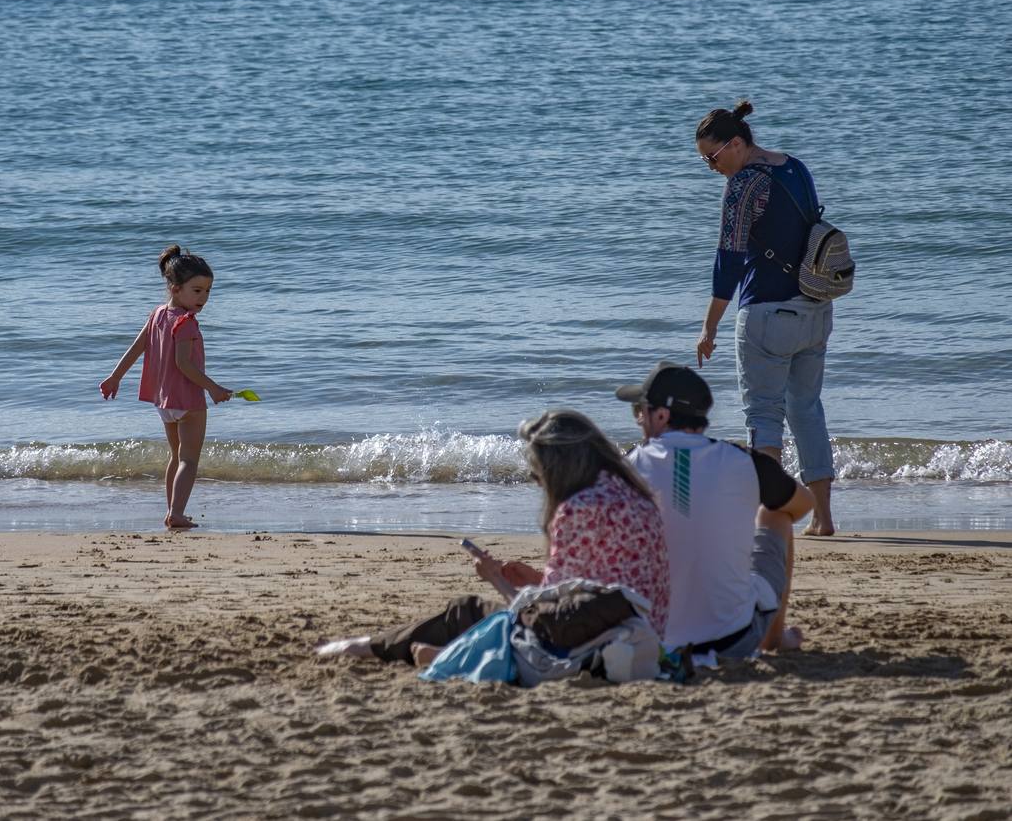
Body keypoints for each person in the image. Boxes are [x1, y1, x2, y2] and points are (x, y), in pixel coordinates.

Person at [317, 409, 670, 666]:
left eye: (538, 473)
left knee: (466, 611)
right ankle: (433, 654)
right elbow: (595, 585)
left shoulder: (577, 508)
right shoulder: (633, 496)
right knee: (480, 619)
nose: (537, 481)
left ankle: (364, 647)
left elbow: (544, 618)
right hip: (645, 631)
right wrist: (536, 578)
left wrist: (497, 579)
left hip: (598, 640)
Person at [694, 100, 838, 536]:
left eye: (712, 157)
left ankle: (772, 521)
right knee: (808, 410)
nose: (710, 167)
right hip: (815, 309)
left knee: (763, 415)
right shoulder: (796, 168)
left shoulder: (743, 186)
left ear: (736, 144)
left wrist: (709, 326)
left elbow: (729, 260)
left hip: (767, 314)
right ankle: (824, 519)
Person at [616, 361, 815, 657]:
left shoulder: (626, 467)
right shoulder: (742, 461)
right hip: (732, 639)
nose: (638, 420)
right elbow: (803, 504)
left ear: (661, 415)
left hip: (652, 640)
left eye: (639, 411)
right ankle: (773, 638)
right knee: (775, 513)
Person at [100, 245, 232, 529]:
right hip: (188, 401)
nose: (204, 298)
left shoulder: (158, 314)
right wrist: (213, 388)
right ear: (174, 288)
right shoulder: (185, 323)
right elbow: (184, 365)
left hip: (164, 401)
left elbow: (137, 348)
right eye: (196, 291)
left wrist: (115, 377)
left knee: (176, 457)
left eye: (208, 291)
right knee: (189, 460)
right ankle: (177, 513)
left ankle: (172, 511)